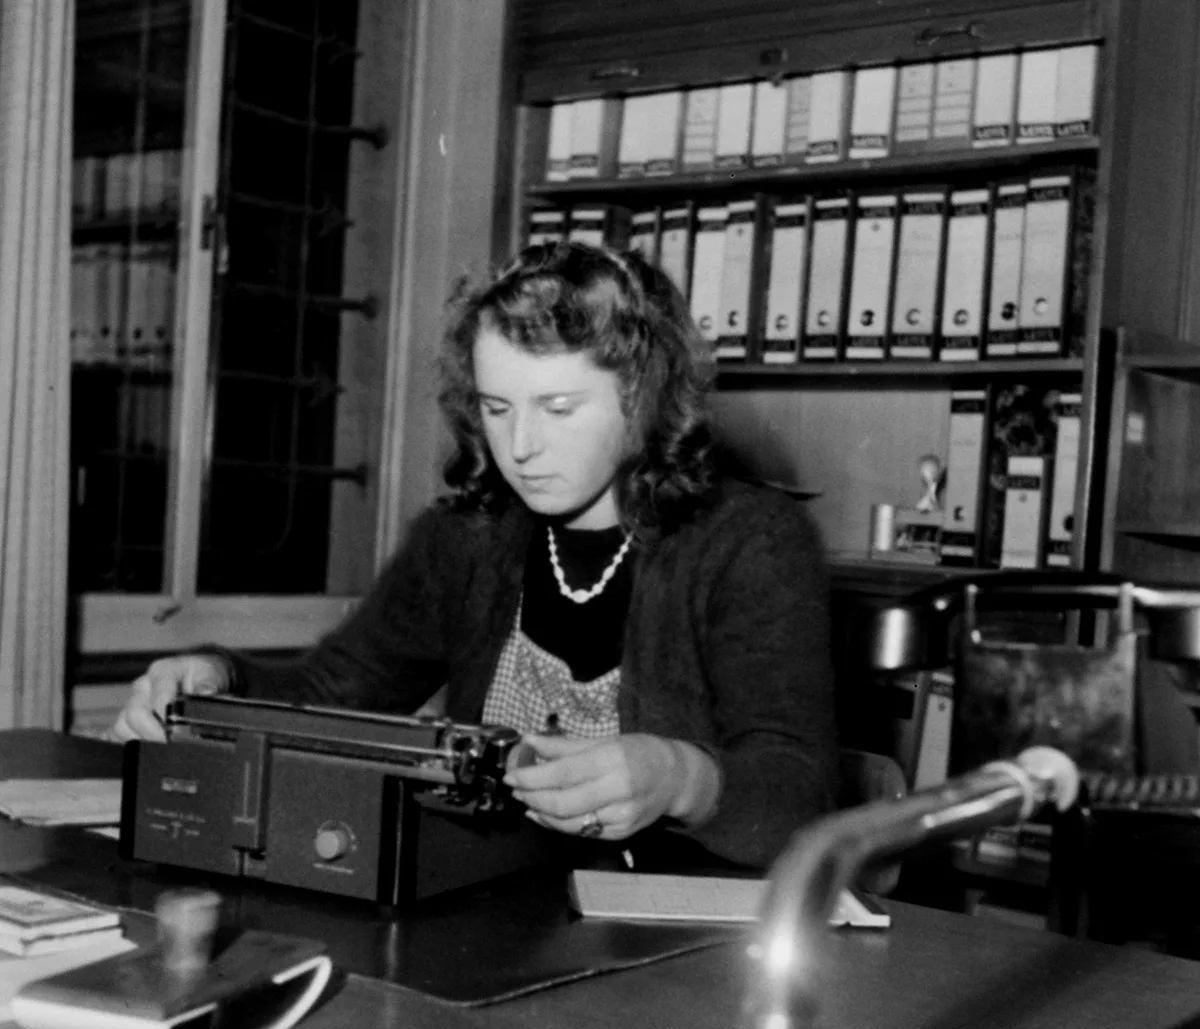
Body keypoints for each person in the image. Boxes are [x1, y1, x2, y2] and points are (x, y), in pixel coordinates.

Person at [112, 240, 838, 871]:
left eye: (558, 409)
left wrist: (684, 777)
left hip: (677, 940)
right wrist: (215, 679)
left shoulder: (751, 542)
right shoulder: (466, 537)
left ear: (642, 398)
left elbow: (799, 794)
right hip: (495, 902)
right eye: (497, 408)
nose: (520, 446)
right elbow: (337, 692)